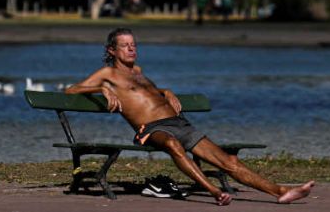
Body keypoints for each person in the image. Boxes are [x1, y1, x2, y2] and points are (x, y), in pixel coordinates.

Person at [65, 28, 315, 206]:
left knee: (228, 161)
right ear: (112, 50)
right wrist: (102, 89)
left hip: (178, 123)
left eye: (134, 44)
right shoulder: (107, 73)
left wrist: (166, 91)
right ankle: (213, 191)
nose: (132, 48)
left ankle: (281, 192)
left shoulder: (138, 71)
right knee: (173, 145)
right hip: (151, 130)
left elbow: (146, 93)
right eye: (125, 45)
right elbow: (71, 90)